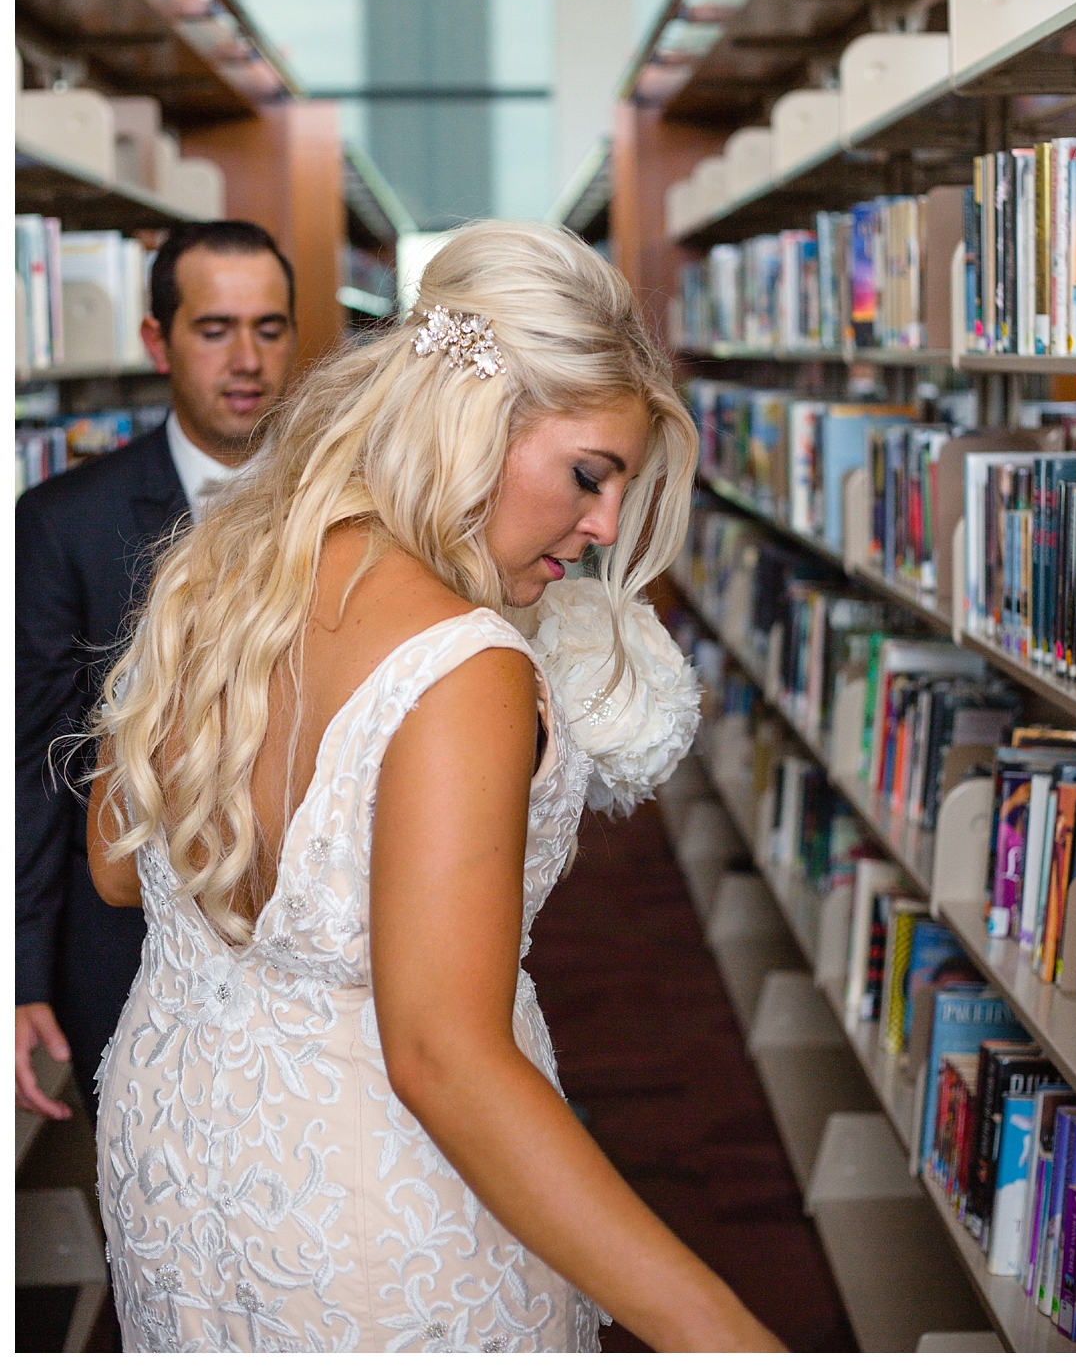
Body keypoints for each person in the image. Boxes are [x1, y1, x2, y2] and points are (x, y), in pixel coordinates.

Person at [82, 222, 782, 1352]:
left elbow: (118, 870)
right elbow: (444, 1058)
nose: (604, 528)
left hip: (175, 1163)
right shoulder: (466, 668)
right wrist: (725, 1334)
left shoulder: (222, 570)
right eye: (588, 476)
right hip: (381, 1206)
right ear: (475, 426)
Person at [17, 220, 299, 1124]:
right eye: (215, 329)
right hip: (125, 942)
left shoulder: (348, 509)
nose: (247, 358)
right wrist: (18, 973)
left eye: (269, 327)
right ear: (157, 340)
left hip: (310, 940)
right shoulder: (66, 522)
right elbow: (33, 765)